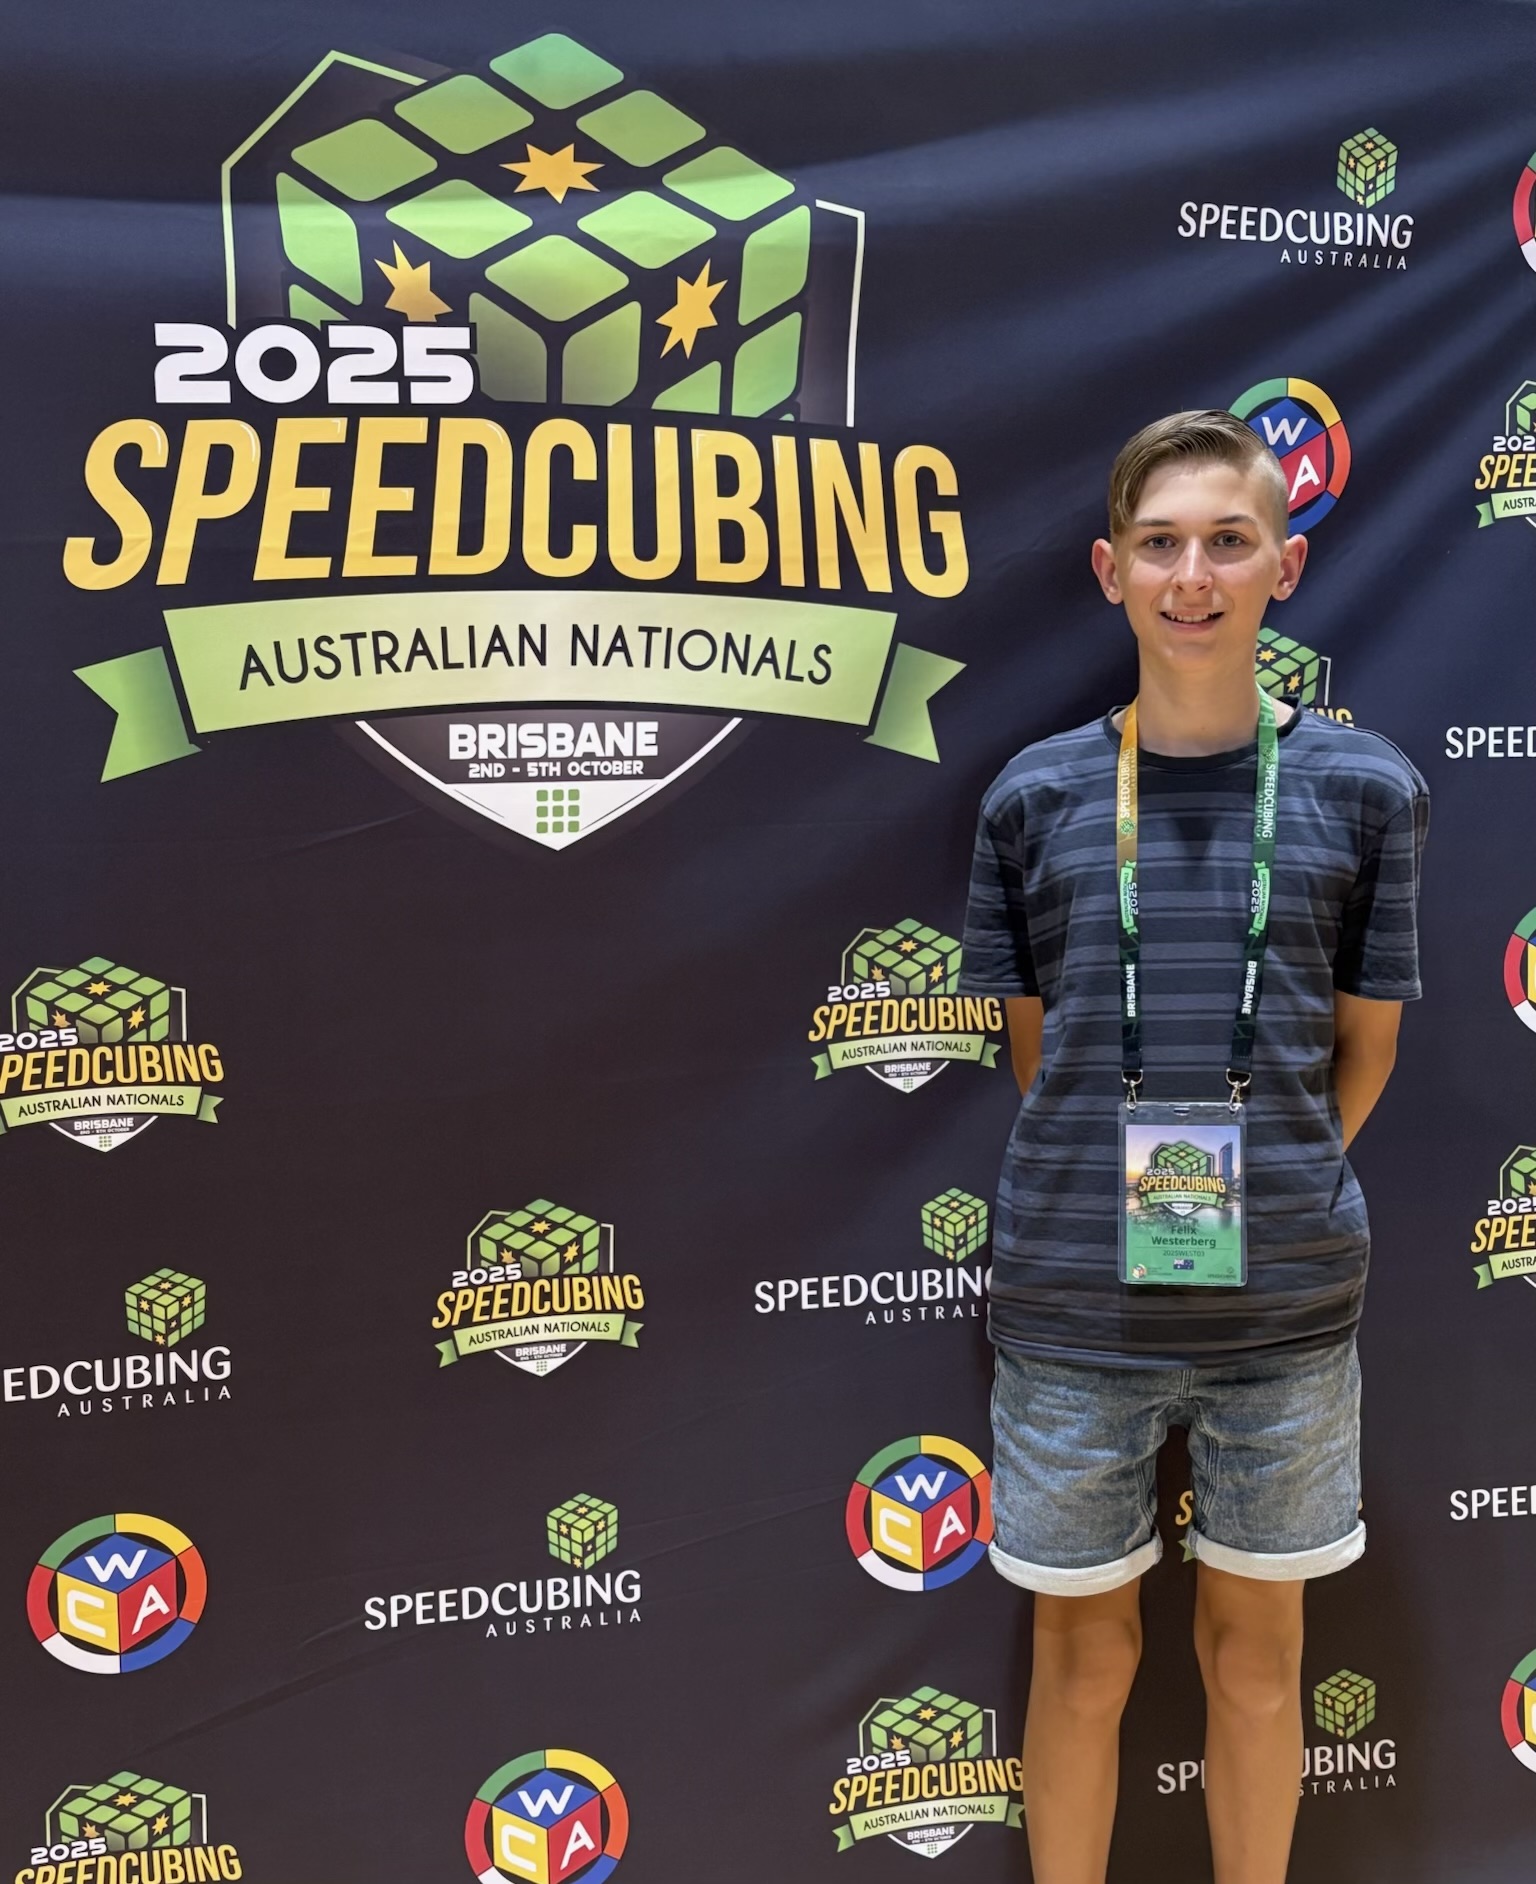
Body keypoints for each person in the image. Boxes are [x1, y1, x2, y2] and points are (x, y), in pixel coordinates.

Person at [959, 409, 1427, 1884]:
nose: (1194, 575)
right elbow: (1038, 1060)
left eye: (1230, 540)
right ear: (1110, 571)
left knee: (1258, 1665)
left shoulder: (1368, 791)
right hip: (1073, 1313)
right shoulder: (1033, 798)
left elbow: (1364, 1052)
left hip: (1284, 1313)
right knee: (1082, 1666)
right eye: (1159, 544)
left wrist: (1266, 1178)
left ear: (1286, 565)